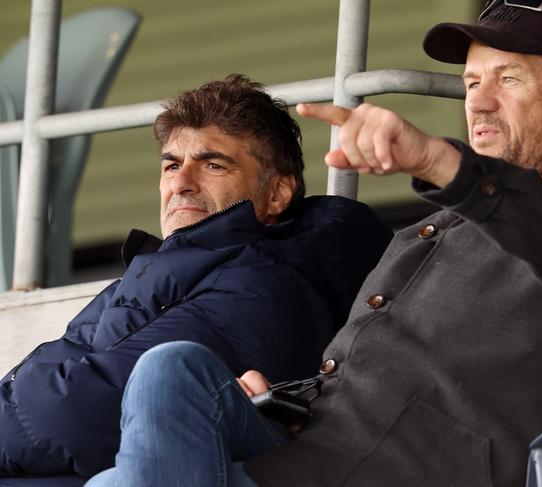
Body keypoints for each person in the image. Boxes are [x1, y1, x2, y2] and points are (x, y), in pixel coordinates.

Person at [85, 1, 542, 487]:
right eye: (473, 82)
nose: (477, 103)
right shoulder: (428, 234)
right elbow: (380, 384)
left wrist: (439, 161)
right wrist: (286, 398)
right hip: (309, 453)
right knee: (173, 373)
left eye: (508, 79)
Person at [0, 75, 392, 479]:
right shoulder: (149, 279)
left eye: (213, 165)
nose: (181, 183)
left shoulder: (264, 285)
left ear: (277, 194)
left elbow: (72, 415)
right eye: (172, 165)